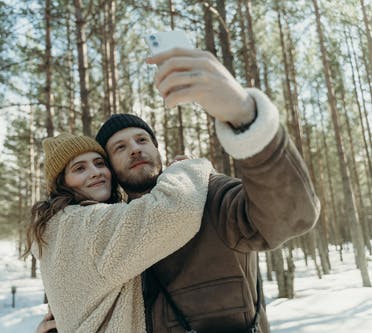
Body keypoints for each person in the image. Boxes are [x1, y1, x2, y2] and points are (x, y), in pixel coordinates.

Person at [36, 47, 320, 333]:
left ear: (157, 150)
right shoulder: (110, 227)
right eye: (120, 147)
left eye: (142, 140)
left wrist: (246, 116)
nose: (135, 149)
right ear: (111, 169)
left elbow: (292, 213)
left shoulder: (208, 193)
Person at [26, 133, 214, 332]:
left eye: (99, 163)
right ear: (62, 183)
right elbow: (176, 210)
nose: (95, 172)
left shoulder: (58, 229)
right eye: (79, 168)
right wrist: (187, 169)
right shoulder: (83, 226)